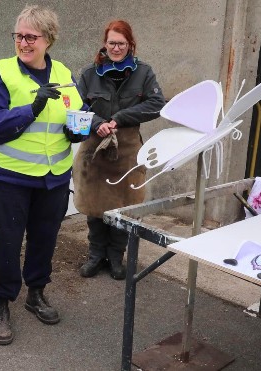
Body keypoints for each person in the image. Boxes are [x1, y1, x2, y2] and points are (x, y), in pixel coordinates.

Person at [0, 5, 87, 345]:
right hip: (10, 178)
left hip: (53, 177)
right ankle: (0, 303)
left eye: (30, 37)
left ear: (48, 40)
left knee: (44, 239)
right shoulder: (3, 74)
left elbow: (74, 114)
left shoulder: (64, 73)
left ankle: (36, 294)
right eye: (18, 36)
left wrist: (79, 130)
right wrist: (32, 108)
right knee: (6, 242)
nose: (23, 43)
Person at [74, 20, 165, 280]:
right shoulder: (89, 74)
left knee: (124, 206)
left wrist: (122, 116)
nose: (116, 48)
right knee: (94, 206)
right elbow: (77, 107)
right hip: (95, 150)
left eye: (121, 43)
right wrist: (97, 122)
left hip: (127, 151)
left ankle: (115, 258)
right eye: (112, 43)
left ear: (130, 45)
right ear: (105, 43)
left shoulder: (143, 73)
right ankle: (95, 256)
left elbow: (157, 103)